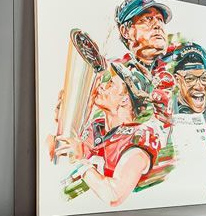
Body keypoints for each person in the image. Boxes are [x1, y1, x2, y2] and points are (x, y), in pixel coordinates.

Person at [62, 61, 172, 207]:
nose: (102, 86)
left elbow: (114, 196)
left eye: (111, 84)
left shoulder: (138, 140)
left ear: (125, 99)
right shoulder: (96, 126)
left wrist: (81, 161)